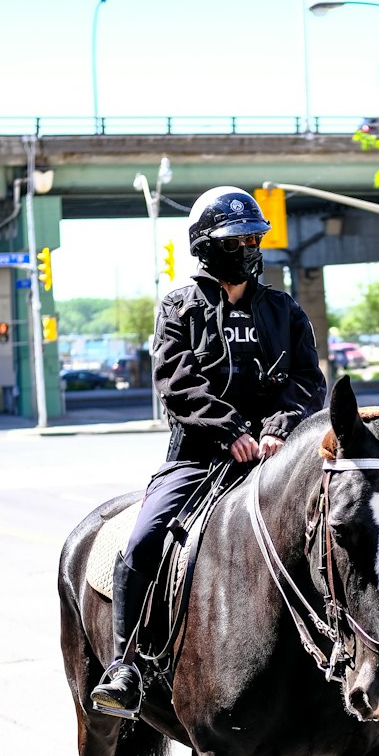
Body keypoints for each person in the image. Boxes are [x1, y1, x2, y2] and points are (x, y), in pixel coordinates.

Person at [91, 186, 327, 718]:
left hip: (273, 457)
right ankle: (125, 664)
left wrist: (276, 428)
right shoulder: (180, 305)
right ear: (205, 245)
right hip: (198, 457)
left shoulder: (285, 310)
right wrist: (229, 431)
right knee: (144, 539)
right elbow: (176, 382)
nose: (247, 248)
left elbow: (309, 382)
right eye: (234, 240)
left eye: (253, 238)